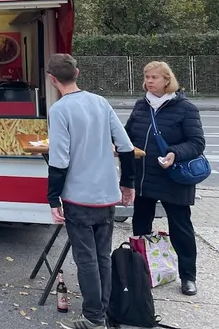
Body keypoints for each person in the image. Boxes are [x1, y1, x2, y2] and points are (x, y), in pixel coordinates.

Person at [45, 53, 135, 329]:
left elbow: (59, 160)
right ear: (78, 73)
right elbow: (126, 146)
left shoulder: (59, 110)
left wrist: (52, 198)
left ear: (51, 80)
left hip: (78, 197)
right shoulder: (101, 102)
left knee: (86, 261)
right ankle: (103, 314)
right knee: (102, 257)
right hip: (107, 196)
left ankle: (94, 318)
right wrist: (127, 183)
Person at [125, 61, 204, 297]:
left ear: (167, 80)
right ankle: (141, 272)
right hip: (144, 178)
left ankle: (188, 276)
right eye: (146, 77)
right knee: (140, 226)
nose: (148, 81)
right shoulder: (141, 106)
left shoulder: (186, 109)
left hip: (174, 178)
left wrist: (174, 153)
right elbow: (127, 135)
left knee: (181, 228)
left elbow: (197, 143)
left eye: (154, 77)